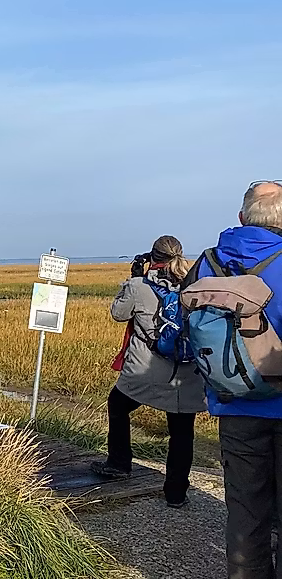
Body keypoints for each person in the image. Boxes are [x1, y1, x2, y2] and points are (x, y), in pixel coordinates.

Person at [183, 181, 282, 579]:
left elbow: (186, 327)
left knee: (245, 511)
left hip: (233, 401)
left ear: (241, 217)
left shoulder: (207, 262)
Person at [90, 235, 206, 508]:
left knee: (118, 405)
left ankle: (119, 463)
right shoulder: (196, 286)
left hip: (146, 369)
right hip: (187, 374)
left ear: (152, 258)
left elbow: (119, 314)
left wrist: (133, 279)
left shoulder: (139, 286)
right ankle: (176, 493)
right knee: (182, 432)